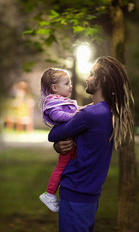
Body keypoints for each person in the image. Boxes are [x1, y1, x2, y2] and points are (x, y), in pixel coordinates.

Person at [48, 56, 134, 232]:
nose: (87, 78)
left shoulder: (90, 114)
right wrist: (59, 146)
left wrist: (56, 142)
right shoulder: (109, 113)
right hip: (90, 195)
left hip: (75, 191)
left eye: (91, 74)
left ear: (101, 80)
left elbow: (53, 134)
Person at [38, 68, 80, 213]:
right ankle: (49, 194)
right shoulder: (53, 103)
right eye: (67, 83)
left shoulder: (59, 100)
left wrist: (81, 110)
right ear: (54, 88)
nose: (71, 86)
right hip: (66, 140)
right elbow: (58, 116)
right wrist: (77, 115)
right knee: (60, 168)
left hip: (68, 139)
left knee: (65, 167)